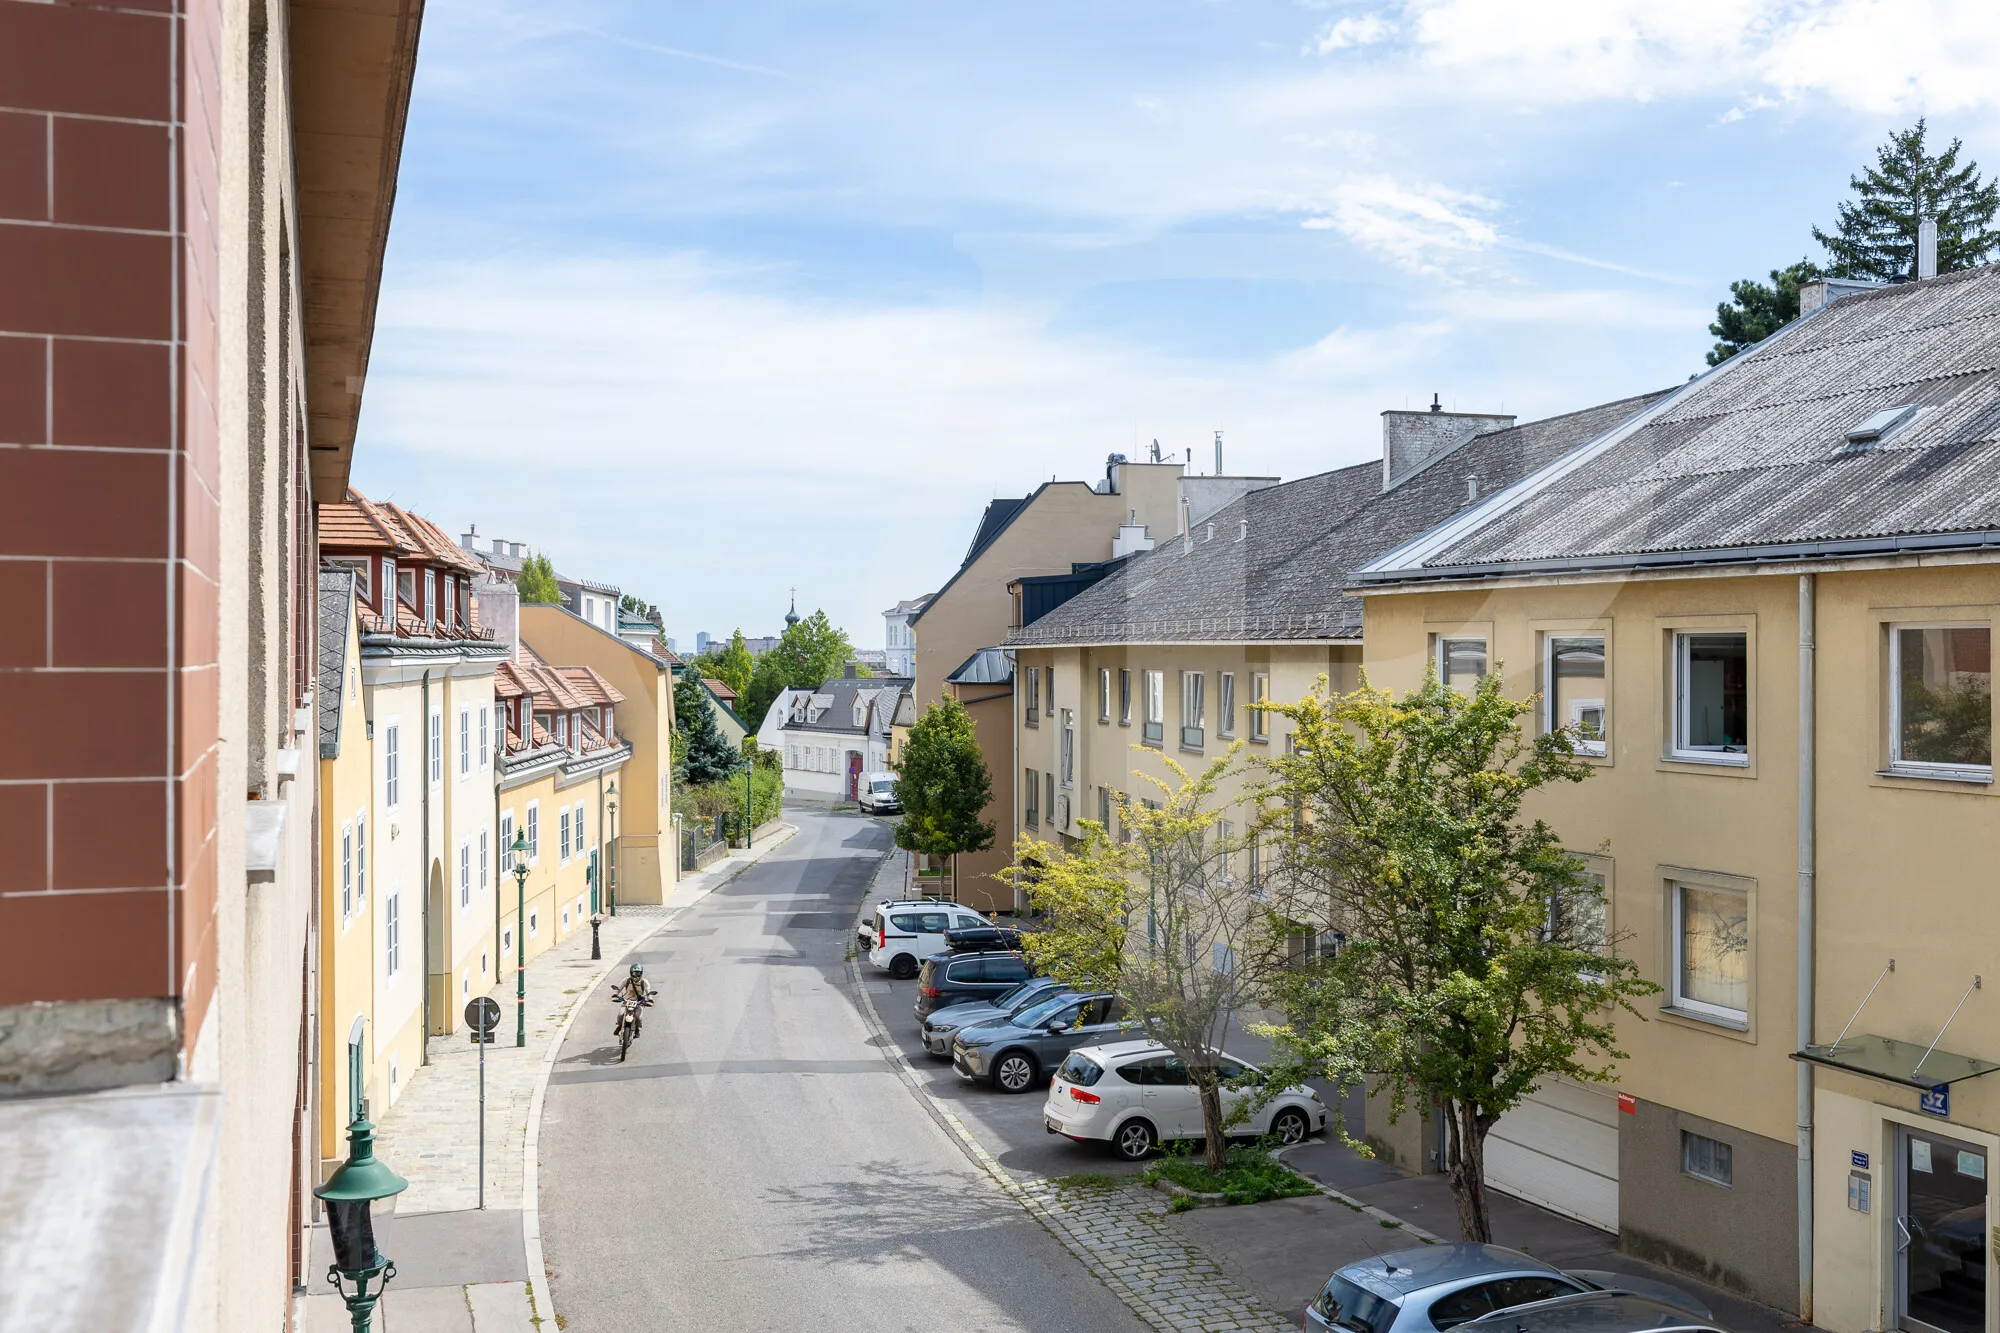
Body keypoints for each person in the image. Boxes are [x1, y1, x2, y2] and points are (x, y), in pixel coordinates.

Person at [613, 962, 654, 1038]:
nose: (636, 975)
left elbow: (648, 993)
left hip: (639, 1002)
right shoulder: (626, 980)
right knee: (620, 1015)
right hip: (627, 1001)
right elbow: (619, 989)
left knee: (638, 1017)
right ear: (631, 973)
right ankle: (619, 1026)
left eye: (638, 973)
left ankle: (637, 1029)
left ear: (641, 973)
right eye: (634, 973)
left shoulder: (644, 982)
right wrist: (615, 995)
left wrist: (650, 1000)